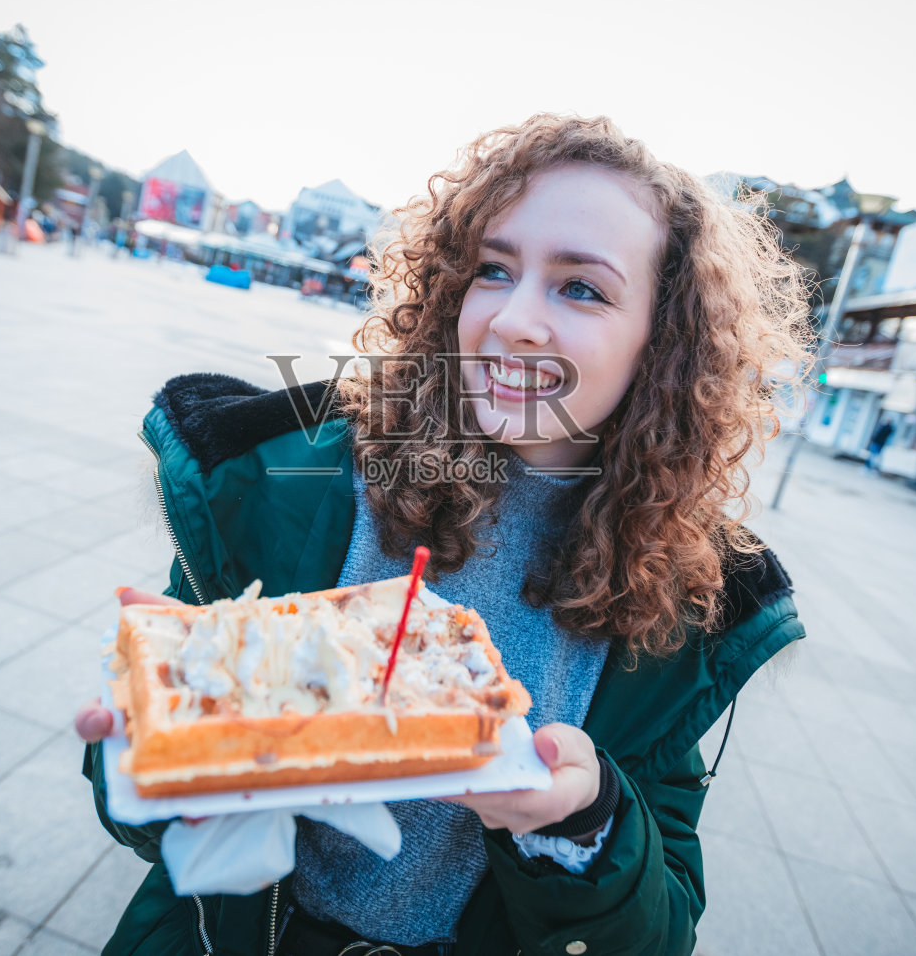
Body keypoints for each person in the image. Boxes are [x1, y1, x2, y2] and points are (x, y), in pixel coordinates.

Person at [74, 114, 812, 956]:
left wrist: (587, 818)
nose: (514, 320)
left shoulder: (685, 599)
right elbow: (136, 796)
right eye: (493, 270)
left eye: (581, 287)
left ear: (666, 343)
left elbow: (658, 933)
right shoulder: (302, 481)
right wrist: (168, 746)